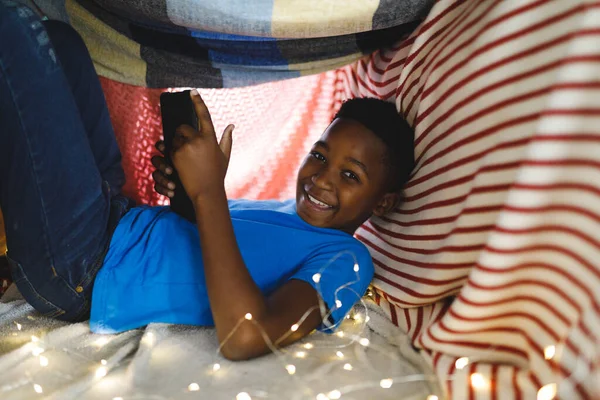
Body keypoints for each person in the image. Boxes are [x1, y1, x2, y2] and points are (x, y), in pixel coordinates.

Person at [0, 2, 414, 360]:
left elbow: (247, 336)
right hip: (118, 217)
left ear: (382, 203)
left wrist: (209, 190)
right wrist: (185, 190)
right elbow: (199, 239)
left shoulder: (347, 260)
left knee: (15, 27)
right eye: (320, 156)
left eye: (349, 175)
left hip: (87, 269)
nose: (322, 178)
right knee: (61, 40)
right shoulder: (284, 211)